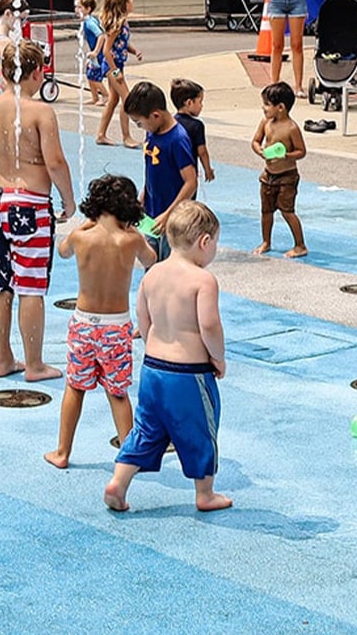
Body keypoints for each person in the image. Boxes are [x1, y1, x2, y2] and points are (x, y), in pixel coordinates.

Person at [105, 200, 230, 514]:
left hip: (153, 369)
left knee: (146, 429)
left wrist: (153, 346)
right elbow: (210, 325)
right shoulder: (203, 280)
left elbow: (143, 318)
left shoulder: (152, 274)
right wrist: (218, 357)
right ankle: (205, 493)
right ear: (204, 241)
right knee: (199, 430)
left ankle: (118, 483)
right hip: (189, 374)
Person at [0, 41, 76, 381]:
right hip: (28, 203)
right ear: (36, 73)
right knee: (30, 286)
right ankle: (34, 364)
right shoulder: (40, 111)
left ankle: (3, 360)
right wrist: (68, 201)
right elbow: (55, 162)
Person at [45, 174, 157, 470]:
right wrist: (134, 231)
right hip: (116, 328)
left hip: (83, 325)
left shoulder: (82, 237)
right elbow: (151, 260)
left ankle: (62, 452)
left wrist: (83, 225)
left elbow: (63, 251)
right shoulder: (131, 240)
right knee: (117, 393)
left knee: (75, 387)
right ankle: (132, 456)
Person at [127, 82, 199, 261]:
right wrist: (142, 199)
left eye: (139, 123)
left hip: (172, 220)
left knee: (169, 267)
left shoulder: (177, 140)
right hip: (152, 214)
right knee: (151, 265)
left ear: (155, 115)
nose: (140, 127)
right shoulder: (152, 132)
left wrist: (168, 214)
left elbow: (191, 182)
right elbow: (151, 171)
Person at [246, 82, 308, 257]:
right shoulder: (265, 122)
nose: (263, 107)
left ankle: (300, 245)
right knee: (266, 211)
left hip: (287, 176)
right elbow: (255, 141)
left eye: (267, 104)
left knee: (287, 211)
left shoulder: (291, 128)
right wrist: (260, 151)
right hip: (268, 175)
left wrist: (286, 156)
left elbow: (301, 151)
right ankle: (266, 241)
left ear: (280, 107)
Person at [89, 0, 139, 147]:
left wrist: (134, 51)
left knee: (113, 100)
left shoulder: (123, 22)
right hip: (112, 66)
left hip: (118, 64)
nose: (133, 2)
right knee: (127, 99)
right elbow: (107, 50)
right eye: (130, 0)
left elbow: (122, 44)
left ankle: (101, 134)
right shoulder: (115, 26)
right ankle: (126, 137)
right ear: (123, 5)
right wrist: (115, 71)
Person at [171, 79, 215, 186]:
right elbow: (202, 151)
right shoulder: (196, 126)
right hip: (189, 172)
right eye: (200, 102)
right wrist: (207, 169)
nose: (201, 106)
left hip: (172, 169)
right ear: (189, 102)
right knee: (187, 201)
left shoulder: (171, 122)